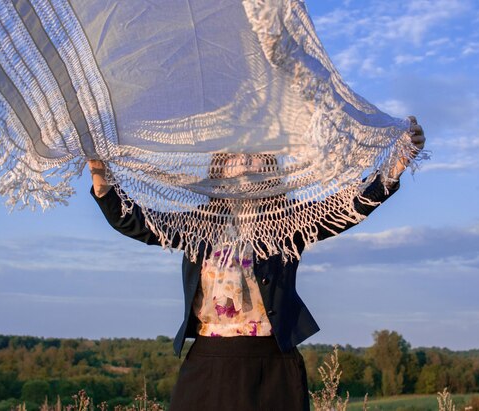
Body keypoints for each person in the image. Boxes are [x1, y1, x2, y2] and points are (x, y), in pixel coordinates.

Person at [88, 118, 425, 410]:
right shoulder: (198, 224)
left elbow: (347, 208)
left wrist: (394, 167)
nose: (246, 162)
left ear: (271, 169)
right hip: (209, 362)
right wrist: (102, 181)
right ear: (219, 168)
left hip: (271, 363)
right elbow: (137, 222)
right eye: (235, 156)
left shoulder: (290, 222)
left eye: (256, 156)